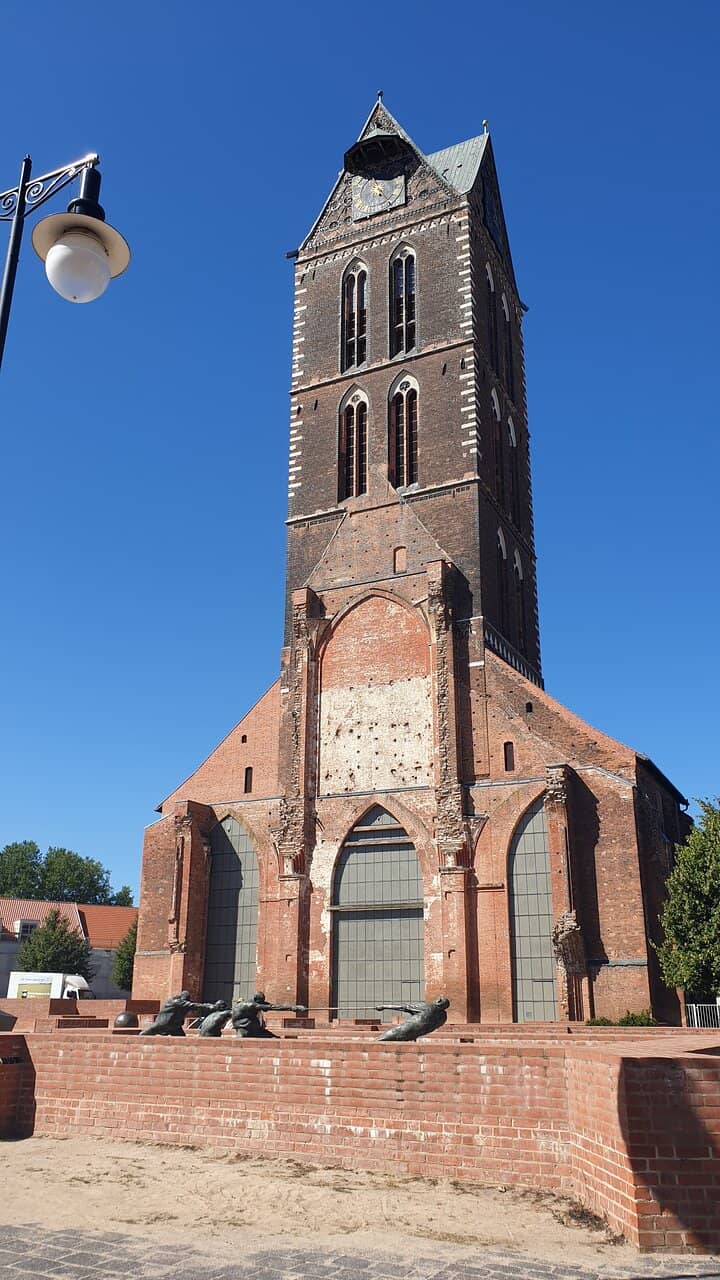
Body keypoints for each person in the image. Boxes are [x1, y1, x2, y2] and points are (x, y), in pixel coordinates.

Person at [231, 991, 307, 1038]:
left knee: (269, 1035)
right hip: (244, 1026)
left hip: (243, 1025)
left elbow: (268, 1005)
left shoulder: (252, 1002)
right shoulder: (253, 1005)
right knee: (266, 1035)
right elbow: (272, 1007)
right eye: (261, 1001)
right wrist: (293, 1008)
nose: (262, 1003)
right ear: (256, 1000)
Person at [139, 991, 216, 1037]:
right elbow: (192, 1005)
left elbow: (194, 1006)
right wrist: (208, 1006)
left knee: (182, 1039)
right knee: (148, 1032)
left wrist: (208, 1006)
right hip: (165, 1023)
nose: (186, 1001)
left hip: (175, 1025)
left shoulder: (184, 1003)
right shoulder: (176, 1002)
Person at [375, 996, 450, 1042]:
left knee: (378, 1041)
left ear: (439, 1001)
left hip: (404, 1030)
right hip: (415, 1034)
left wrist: (383, 1006)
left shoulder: (428, 1007)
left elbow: (403, 1008)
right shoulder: (443, 1017)